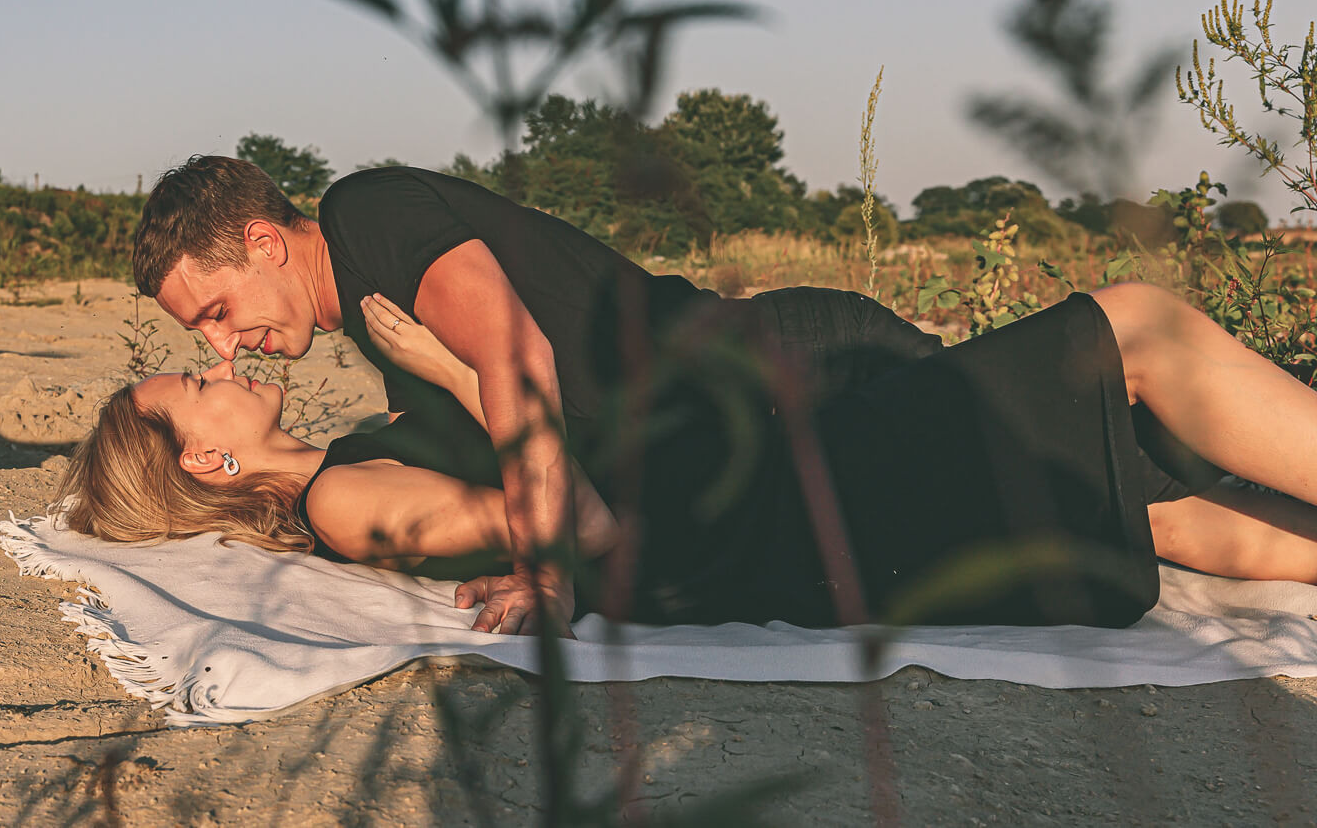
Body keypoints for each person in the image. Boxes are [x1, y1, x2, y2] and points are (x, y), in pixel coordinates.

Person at [117, 156, 1317, 631]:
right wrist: (558, 543)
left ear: (264, 239)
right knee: (1129, 368)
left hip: (775, 388)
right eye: (200, 348)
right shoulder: (376, 299)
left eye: (214, 312)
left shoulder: (365, 220)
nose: (232, 348)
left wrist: (460, 401)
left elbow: (514, 367)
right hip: (765, 430)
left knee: (1109, 481)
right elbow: (524, 379)